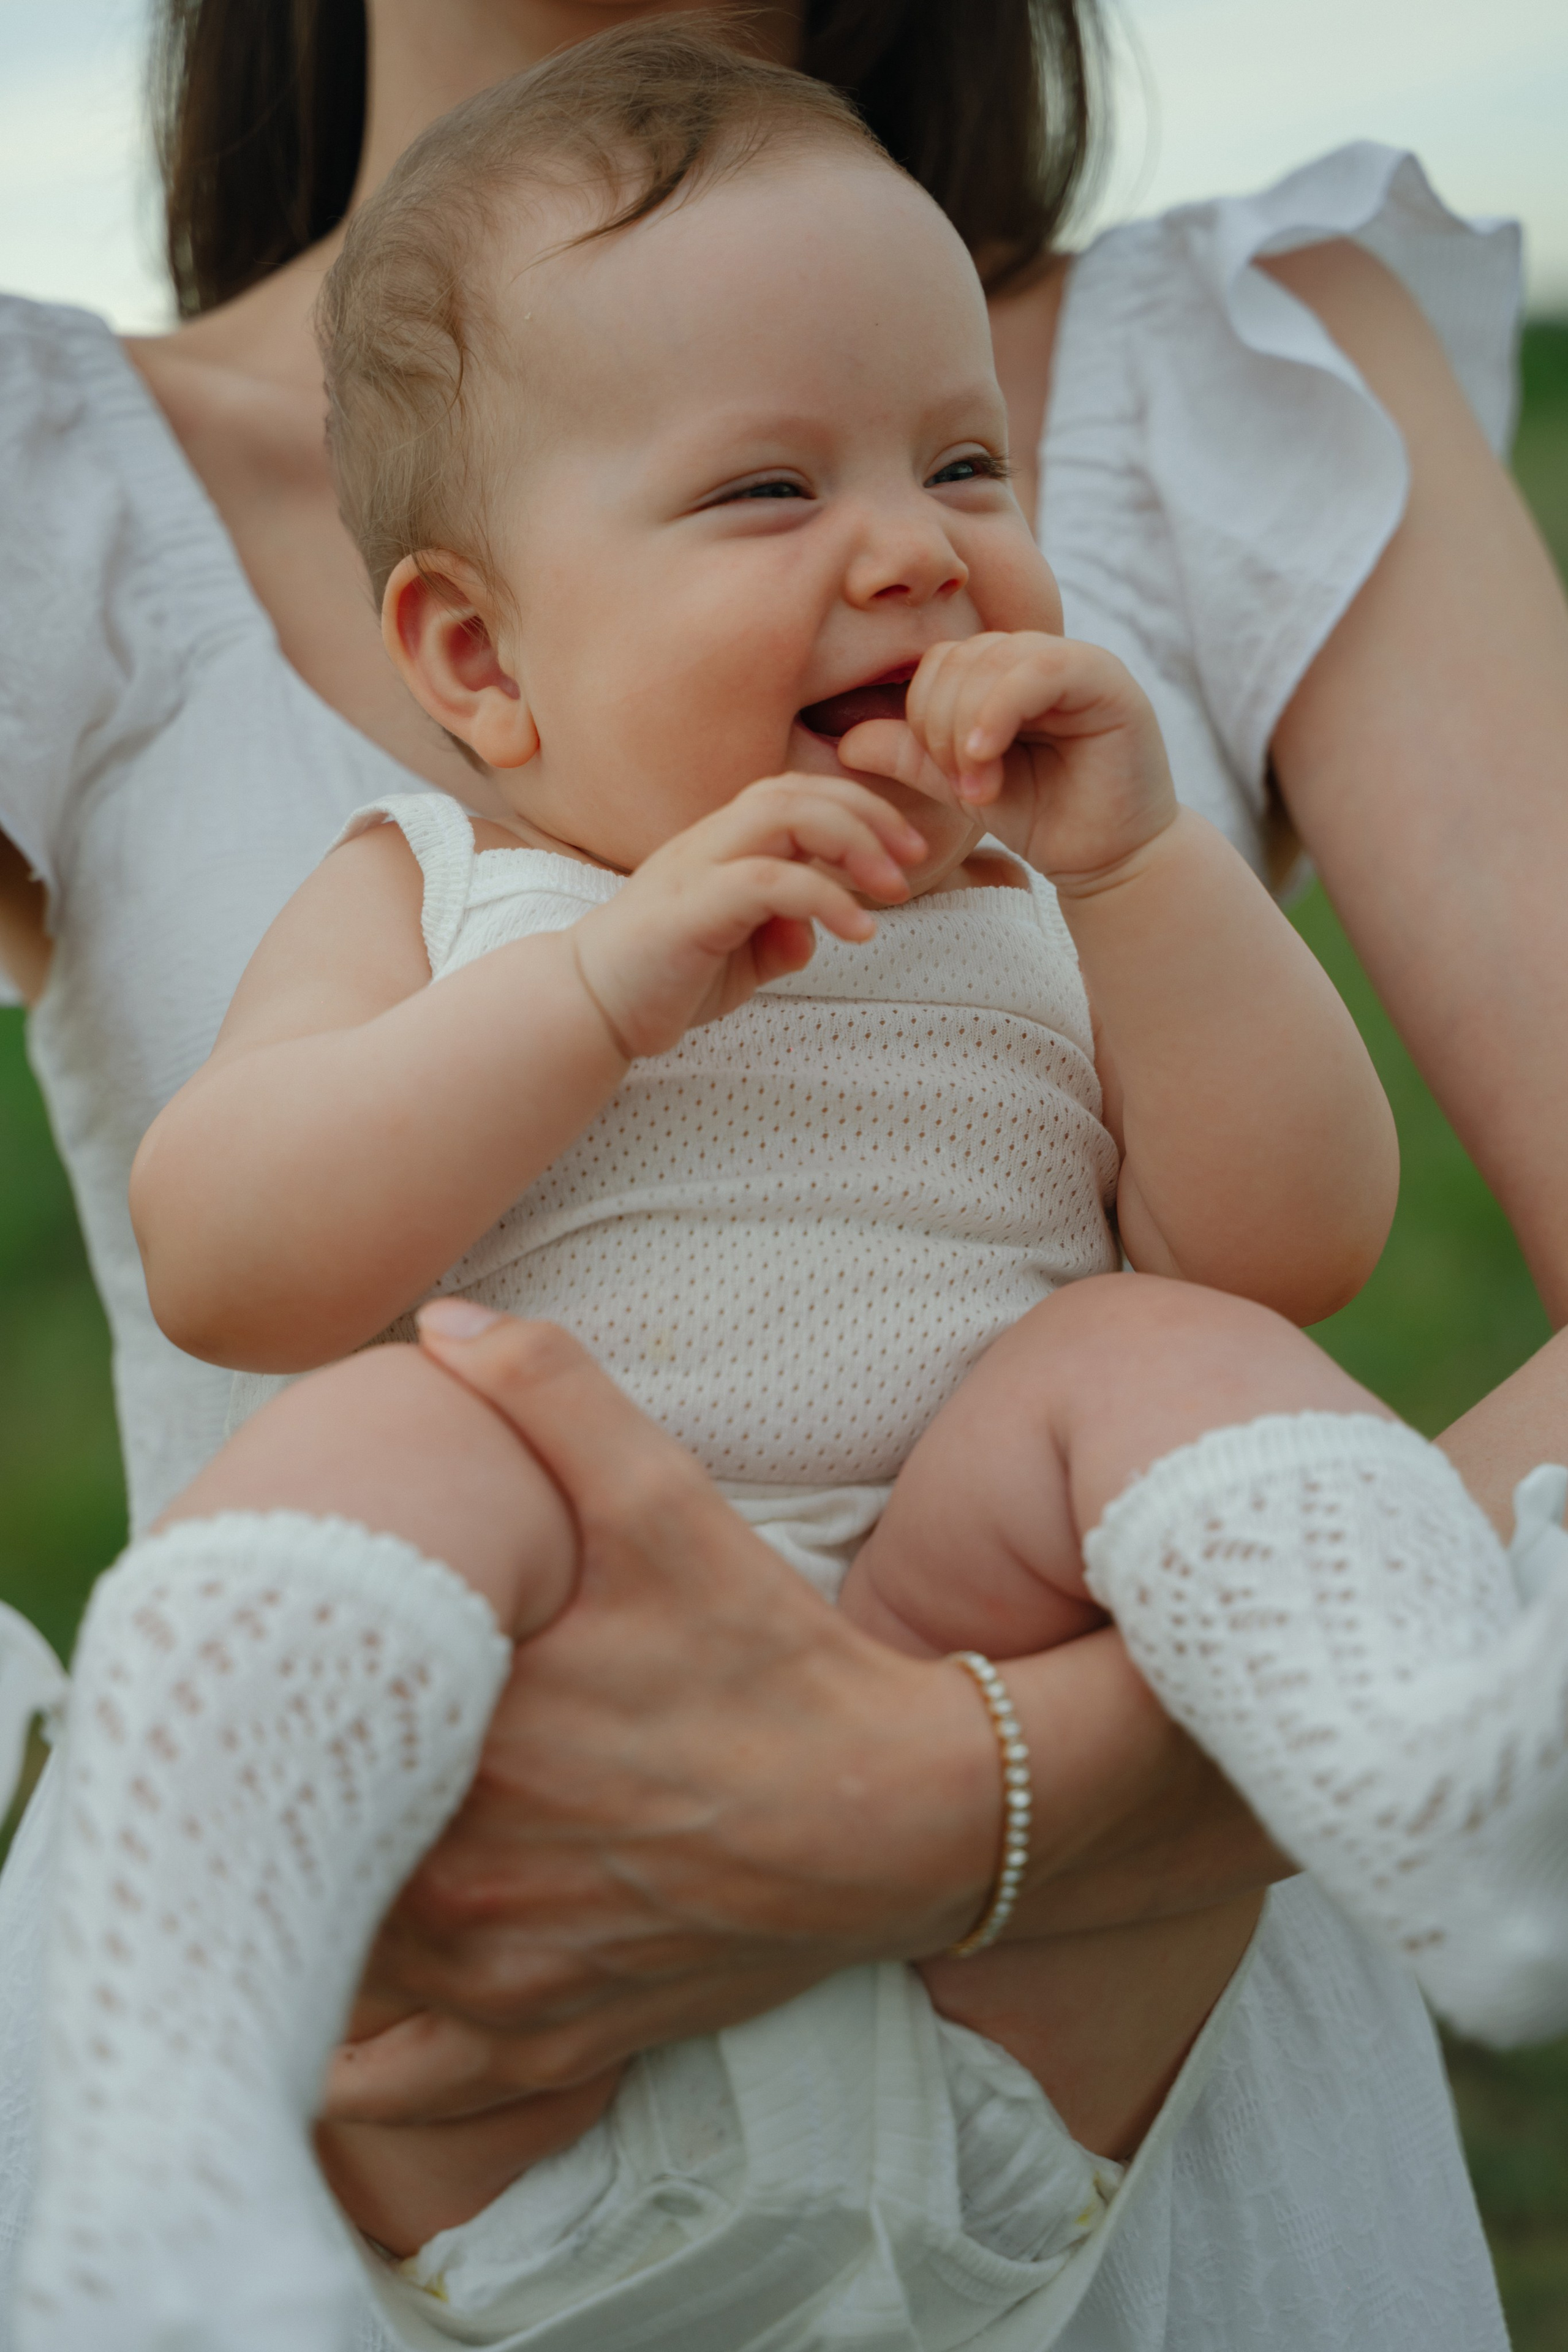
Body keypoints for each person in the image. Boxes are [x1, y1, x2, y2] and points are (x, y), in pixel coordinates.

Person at [0, 0, 1560, 2344]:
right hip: (483, 2029)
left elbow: (1295, 1246)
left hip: (1051, 2000)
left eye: (964, 468)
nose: (912, 556)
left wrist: (1152, 887)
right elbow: (230, 1252)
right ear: (476, 658)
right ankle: (164, 2135)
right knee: (405, 1424)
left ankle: (1434, 1754)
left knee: (1155, 1347)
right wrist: (602, 988)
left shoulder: (1046, 905)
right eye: (767, 495)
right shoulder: (432, 895)